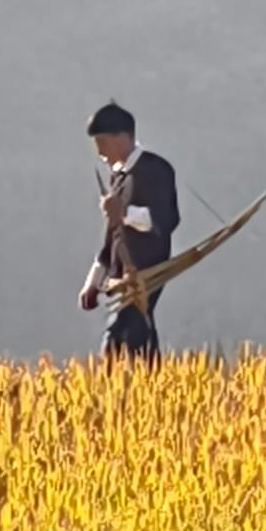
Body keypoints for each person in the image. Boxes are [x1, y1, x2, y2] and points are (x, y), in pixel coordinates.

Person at [82, 101, 189, 360]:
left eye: (103, 143)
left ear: (122, 138)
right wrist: (93, 282)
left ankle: (143, 381)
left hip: (147, 274)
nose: (100, 152)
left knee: (124, 337)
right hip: (121, 279)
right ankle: (149, 380)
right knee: (126, 338)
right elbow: (111, 238)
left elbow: (166, 219)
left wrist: (125, 214)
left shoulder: (156, 170)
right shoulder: (118, 178)